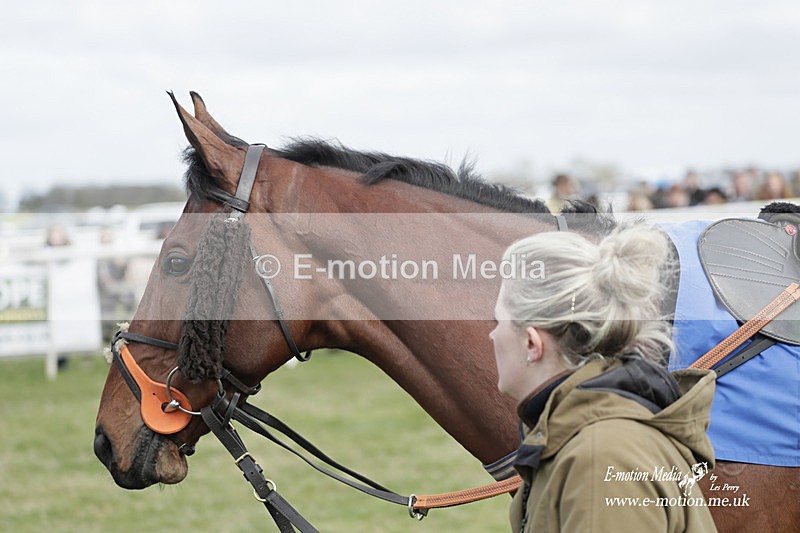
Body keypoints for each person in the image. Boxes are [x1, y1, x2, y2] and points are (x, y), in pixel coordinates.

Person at [490, 225, 717, 532]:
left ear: (532, 343)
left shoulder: (599, 459)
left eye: (499, 321)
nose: (493, 334)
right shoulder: (576, 437)